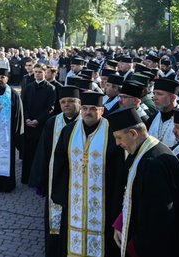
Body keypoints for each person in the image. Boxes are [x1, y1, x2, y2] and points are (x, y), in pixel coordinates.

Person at [50, 91, 125, 257]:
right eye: (84, 108)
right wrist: (61, 196)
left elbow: (119, 172)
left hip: (104, 203)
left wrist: (116, 203)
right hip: (74, 202)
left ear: (102, 110)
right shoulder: (69, 131)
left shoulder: (112, 133)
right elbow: (60, 165)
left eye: (93, 108)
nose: (88, 112)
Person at [109, 108, 179, 257]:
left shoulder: (153, 162)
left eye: (119, 137)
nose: (117, 143)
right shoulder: (146, 153)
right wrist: (121, 222)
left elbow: (158, 216)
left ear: (133, 134)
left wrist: (135, 245)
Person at [28, 85, 80, 257]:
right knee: (55, 221)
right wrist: (40, 179)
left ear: (79, 103)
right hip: (55, 179)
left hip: (78, 179)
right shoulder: (53, 122)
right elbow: (43, 152)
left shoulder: (84, 123)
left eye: (71, 101)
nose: (67, 105)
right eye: (63, 102)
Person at [20, 63, 55, 184]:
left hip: (41, 125)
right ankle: (26, 178)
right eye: (35, 72)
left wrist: (38, 120)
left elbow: (50, 108)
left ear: (45, 72)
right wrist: (27, 119)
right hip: (28, 125)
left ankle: (37, 180)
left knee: (40, 153)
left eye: (40, 72)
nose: (37, 74)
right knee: (28, 152)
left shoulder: (51, 88)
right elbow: (23, 105)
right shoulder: (29, 87)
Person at [146, 77, 179, 148]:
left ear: (173, 97)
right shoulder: (152, 119)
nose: (154, 98)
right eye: (154, 93)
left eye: (159, 94)